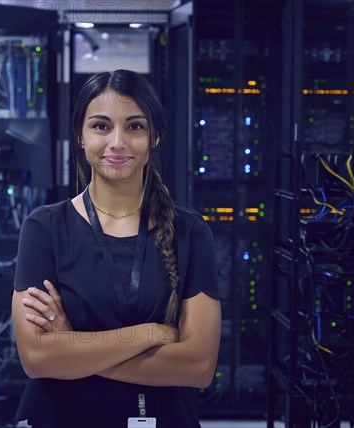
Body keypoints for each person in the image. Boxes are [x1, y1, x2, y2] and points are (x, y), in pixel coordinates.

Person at [11, 69, 221, 427]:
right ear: (80, 135)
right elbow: (37, 358)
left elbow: (198, 366)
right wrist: (151, 334)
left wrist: (73, 350)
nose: (118, 142)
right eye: (101, 126)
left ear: (154, 137)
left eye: (135, 126)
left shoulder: (190, 232)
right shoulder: (44, 228)